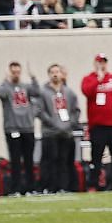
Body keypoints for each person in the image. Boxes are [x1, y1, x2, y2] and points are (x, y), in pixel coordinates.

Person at [81, 53, 112, 190]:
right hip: (97, 126)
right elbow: (87, 92)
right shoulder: (88, 79)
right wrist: (98, 79)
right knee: (96, 157)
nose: (102, 65)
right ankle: (93, 184)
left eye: (103, 62)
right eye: (99, 62)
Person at [35, 64, 83, 193]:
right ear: (49, 74)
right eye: (52, 72)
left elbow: (76, 110)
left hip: (66, 133)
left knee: (65, 161)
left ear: (62, 74)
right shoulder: (43, 92)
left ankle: (64, 186)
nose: (55, 74)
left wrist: (70, 124)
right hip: (50, 133)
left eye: (57, 71)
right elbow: (40, 111)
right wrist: (52, 123)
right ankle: (49, 187)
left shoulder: (69, 92)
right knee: (50, 161)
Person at [0, 62, 39, 195]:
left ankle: (30, 188)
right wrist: (5, 80)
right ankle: (16, 189)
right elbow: (1, 93)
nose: (15, 75)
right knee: (15, 161)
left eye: (17, 72)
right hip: (13, 129)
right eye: (13, 72)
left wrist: (33, 78)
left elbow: (37, 92)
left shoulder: (26, 87)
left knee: (29, 160)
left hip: (27, 128)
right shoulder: (6, 87)